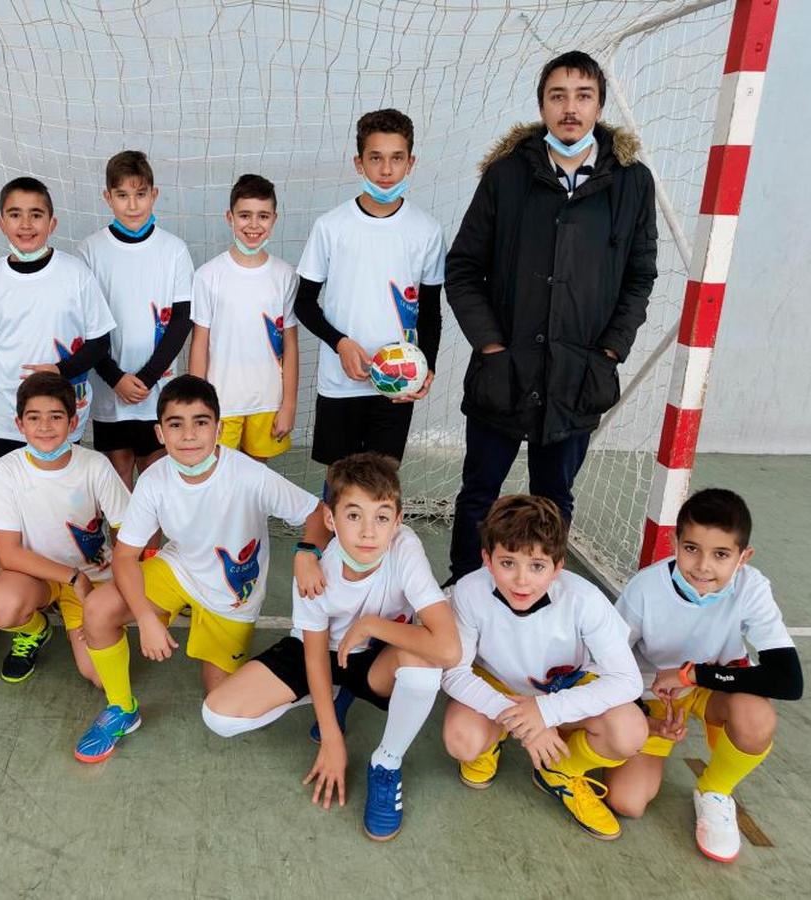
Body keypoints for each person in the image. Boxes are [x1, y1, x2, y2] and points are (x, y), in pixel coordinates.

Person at [443, 50, 657, 585]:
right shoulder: (506, 176)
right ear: (541, 105)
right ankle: (466, 587)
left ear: (600, 105)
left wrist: (608, 351)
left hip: (576, 374)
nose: (570, 108)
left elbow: (640, 275)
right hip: (505, 371)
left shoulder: (632, 182)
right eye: (558, 95)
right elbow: (463, 268)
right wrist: (492, 347)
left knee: (553, 497)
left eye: (583, 95)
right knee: (479, 492)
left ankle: (536, 591)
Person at [202, 453, 459, 841]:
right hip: (320, 651)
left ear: (399, 520)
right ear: (330, 519)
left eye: (382, 517)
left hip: (376, 656)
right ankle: (334, 698)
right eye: (354, 515)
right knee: (218, 716)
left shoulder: (405, 548)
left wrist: (372, 625)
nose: (369, 532)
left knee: (424, 666)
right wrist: (332, 738)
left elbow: (449, 649)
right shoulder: (314, 569)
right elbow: (313, 652)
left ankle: (386, 764)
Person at [72, 375, 325, 763]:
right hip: (180, 570)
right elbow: (124, 557)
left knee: (219, 700)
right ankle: (123, 707)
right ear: (160, 432)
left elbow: (317, 514)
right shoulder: (155, 479)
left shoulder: (249, 475)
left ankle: (307, 676)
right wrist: (146, 617)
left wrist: (307, 551)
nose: (189, 435)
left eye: (201, 422)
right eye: (176, 424)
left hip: (232, 598)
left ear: (219, 429)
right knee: (98, 609)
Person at [605, 488, 803, 863]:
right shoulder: (645, 589)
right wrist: (643, 718)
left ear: (744, 557)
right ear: (674, 542)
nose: (702, 566)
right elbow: (608, 662)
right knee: (627, 802)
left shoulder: (752, 588)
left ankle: (715, 790)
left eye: (721, 554)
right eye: (691, 548)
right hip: (653, 692)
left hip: (709, 685)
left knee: (756, 717)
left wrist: (694, 675)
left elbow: (788, 680)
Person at [0, 176, 115, 654]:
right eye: (15, 214)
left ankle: (76, 585)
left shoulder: (75, 274)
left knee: (62, 501)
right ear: (0, 221)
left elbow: (98, 342)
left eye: (35, 214)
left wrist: (61, 370)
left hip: (57, 416)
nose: (25, 224)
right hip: (6, 414)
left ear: (52, 222)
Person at [441, 494, 647, 841]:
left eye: (537, 566)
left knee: (629, 732)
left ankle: (560, 772)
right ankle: (494, 740)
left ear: (558, 566)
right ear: (487, 560)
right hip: (498, 689)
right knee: (462, 742)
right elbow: (453, 672)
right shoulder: (469, 590)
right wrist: (526, 722)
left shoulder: (585, 600)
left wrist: (547, 711)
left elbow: (628, 681)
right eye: (508, 563)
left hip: (561, 691)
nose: (522, 580)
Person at [294, 108, 446, 470]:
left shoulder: (427, 230)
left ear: (411, 163)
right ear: (359, 163)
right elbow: (303, 303)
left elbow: (430, 310)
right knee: (339, 484)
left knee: (382, 484)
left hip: (397, 381)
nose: (386, 170)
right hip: (340, 381)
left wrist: (428, 367)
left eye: (396, 159)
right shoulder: (331, 226)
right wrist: (340, 343)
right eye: (375, 158)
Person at [0, 373, 129, 686]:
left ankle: (93, 620)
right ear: (19, 424)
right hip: (39, 577)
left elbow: (126, 529)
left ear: (73, 423)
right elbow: (7, 553)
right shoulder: (7, 469)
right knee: (3, 606)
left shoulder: (95, 465)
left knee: (101, 677)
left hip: (94, 578)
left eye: (55, 417)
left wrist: (124, 587)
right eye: (34, 418)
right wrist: (73, 577)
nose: (45, 427)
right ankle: (36, 629)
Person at [80, 150, 195, 491]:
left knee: (155, 489)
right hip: (109, 389)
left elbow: (182, 321)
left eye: (140, 194)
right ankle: (120, 548)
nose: (132, 205)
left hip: (155, 388)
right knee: (119, 489)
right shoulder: (90, 250)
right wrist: (115, 378)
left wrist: (146, 377)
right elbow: (87, 325)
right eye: (122, 195)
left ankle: (151, 549)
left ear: (154, 195)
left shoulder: (174, 250)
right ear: (107, 197)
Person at [189, 174, 299, 462]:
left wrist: (288, 404)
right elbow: (199, 344)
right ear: (230, 217)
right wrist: (196, 405)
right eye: (245, 215)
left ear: (274, 219)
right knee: (218, 481)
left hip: (268, 402)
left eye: (263, 216)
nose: (253, 225)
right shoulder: (208, 276)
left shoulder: (285, 275)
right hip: (220, 402)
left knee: (256, 485)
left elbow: (290, 345)